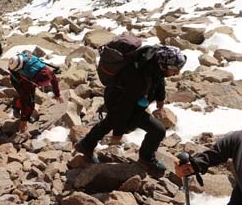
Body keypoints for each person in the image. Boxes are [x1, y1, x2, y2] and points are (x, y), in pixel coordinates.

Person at [75, 45, 187, 177]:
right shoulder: (139, 76)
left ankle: (86, 144)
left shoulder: (155, 61)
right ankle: (146, 159)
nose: (176, 73)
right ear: (164, 65)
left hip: (127, 98)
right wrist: (119, 133)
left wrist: (160, 98)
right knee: (157, 130)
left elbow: (159, 78)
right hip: (119, 100)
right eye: (174, 69)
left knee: (111, 120)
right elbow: (125, 106)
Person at [8, 53, 63, 133]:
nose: (42, 86)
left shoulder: (47, 72)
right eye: (41, 85)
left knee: (30, 102)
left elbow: (54, 80)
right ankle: (16, 108)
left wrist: (57, 94)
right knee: (29, 102)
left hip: (29, 79)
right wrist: (24, 120)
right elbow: (25, 100)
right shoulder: (27, 79)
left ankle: (23, 112)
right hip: (18, 81)